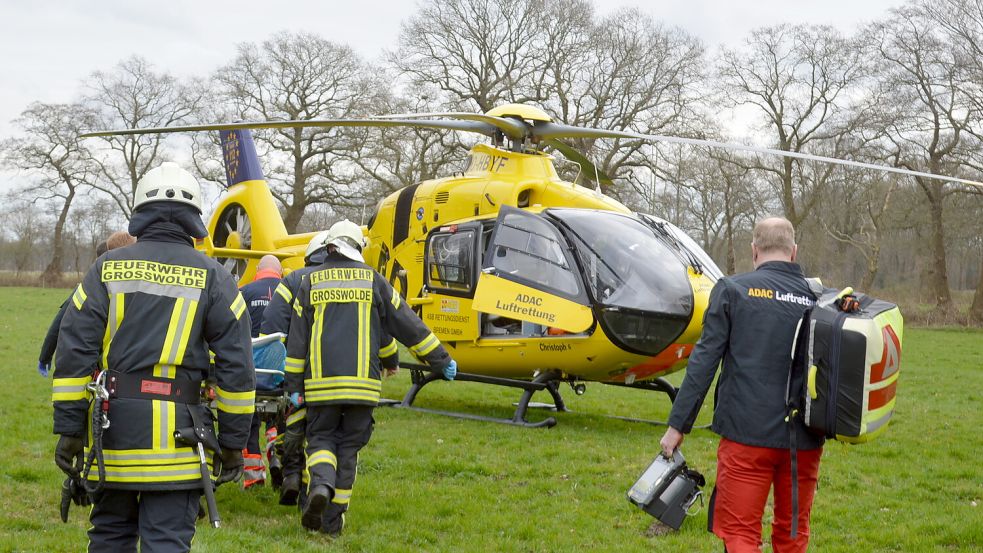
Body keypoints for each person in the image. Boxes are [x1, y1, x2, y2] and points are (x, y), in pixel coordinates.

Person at [52, 162, 255, 552]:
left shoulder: (105, 269)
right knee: (167, 543)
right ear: (195, 218)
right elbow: (237, 367)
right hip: (179, 446)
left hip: (114, 438)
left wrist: (70, 430)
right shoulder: (215, 277)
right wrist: (233, 443)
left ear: (140, 213)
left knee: (110, 538)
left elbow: (73, 349)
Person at [659, 217, 824, 553]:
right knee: (793, 536)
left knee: (740, 534)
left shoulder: (732, 290)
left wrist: (678, 426)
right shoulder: (819, 299)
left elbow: (703, 363)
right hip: (804, 441)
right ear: (793, 252)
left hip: (746, 437)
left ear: (753, 251)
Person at [285, 219, 457, 535]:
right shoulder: (374, 282)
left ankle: (320, 486)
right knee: (349, 449)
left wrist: (294, 389)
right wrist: (440, 359)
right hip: (363, 388)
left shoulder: (310, 283)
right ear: (357, 249)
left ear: (330, 247)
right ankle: (332, 523)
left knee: (321, 440)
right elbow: (405, 323)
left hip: (321, 388)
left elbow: (297, 344)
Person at [261, 230, 400, 506]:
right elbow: (382, 329)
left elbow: (273, 322)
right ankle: (312, 491)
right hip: (344, 374)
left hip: (299, 369)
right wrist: (392, 360)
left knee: (295, 422)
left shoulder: (295, 279)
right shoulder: (362, 280)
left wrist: (281, 363)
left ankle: (292, 476)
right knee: (328, 436)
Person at [37, 231, 136, 377]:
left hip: (103, 364)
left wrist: (45, 356)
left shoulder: (92, 284)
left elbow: (61, 320)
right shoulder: (145, 286)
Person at [239, 254, 284, 489]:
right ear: (281, 272)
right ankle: (277, 453)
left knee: (250, 419)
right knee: (281, 414)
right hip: (278, 375)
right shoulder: (289, 291)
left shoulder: (244, 292)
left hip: (250, 372)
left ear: (258, 269)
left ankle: (254, 475)